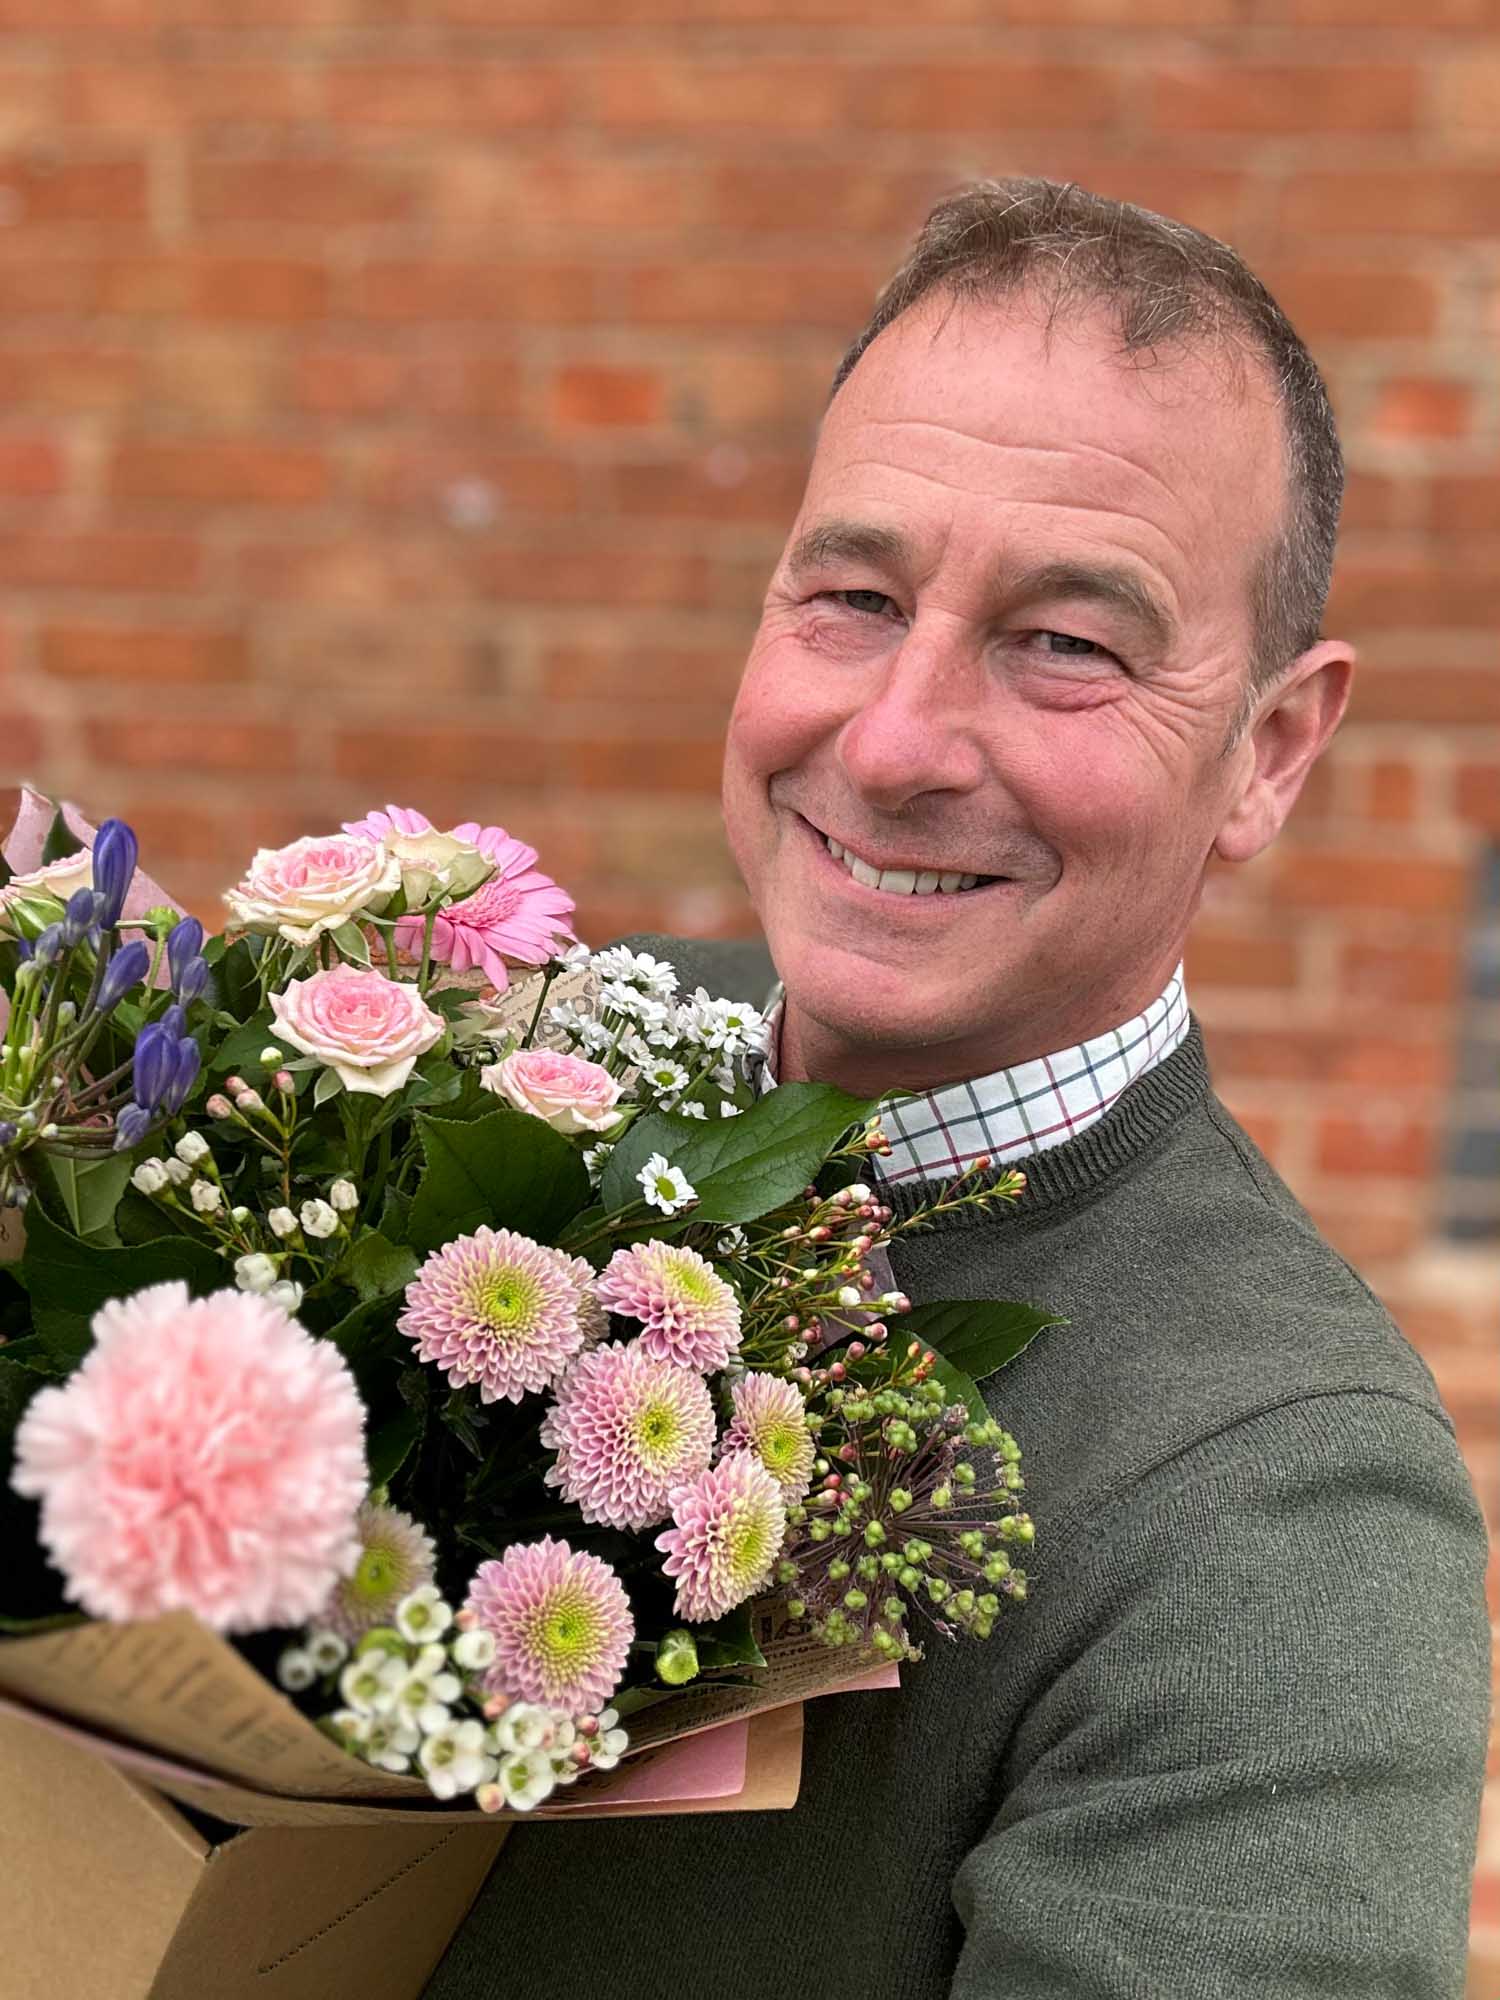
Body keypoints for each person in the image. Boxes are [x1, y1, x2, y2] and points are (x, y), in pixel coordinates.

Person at [427, 179, 1491, 1999]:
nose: (900, 742)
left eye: (1066, 643)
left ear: (1274, 752)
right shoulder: (506, 1087)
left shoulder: (1286, 1519)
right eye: (853, 594)